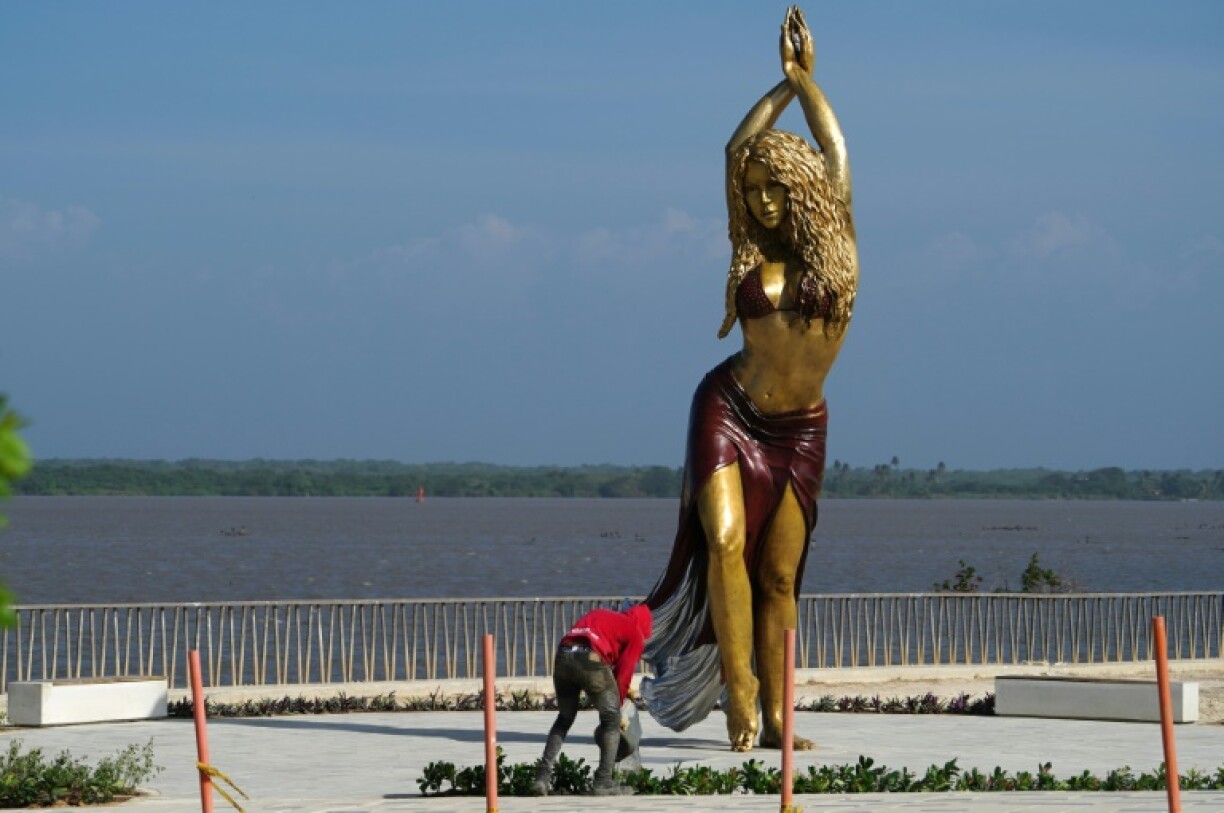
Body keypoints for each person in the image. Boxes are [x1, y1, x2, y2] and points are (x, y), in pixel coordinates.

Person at [642, 6, 858, 753]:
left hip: (799, 431)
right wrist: (776, 87)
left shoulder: (839, 249)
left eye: (774, 188)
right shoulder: (748, 245)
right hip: (727, 409)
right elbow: (735, 148)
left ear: (801, 189)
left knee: (779, 578)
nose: (762, 200)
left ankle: (779, 718)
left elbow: (834, 151)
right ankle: (739, 700)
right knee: (726, 543)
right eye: (755, 189)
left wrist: (806, 81)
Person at [532, 603, 653, 797]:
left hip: (564, 653)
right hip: (590, 658)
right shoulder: (635, 633)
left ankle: (541, 779)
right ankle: (603, 782)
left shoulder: (601, 614)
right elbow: (623, 676)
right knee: (610, 720)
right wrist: (618, 708)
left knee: (564, 718)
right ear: (645, 625)